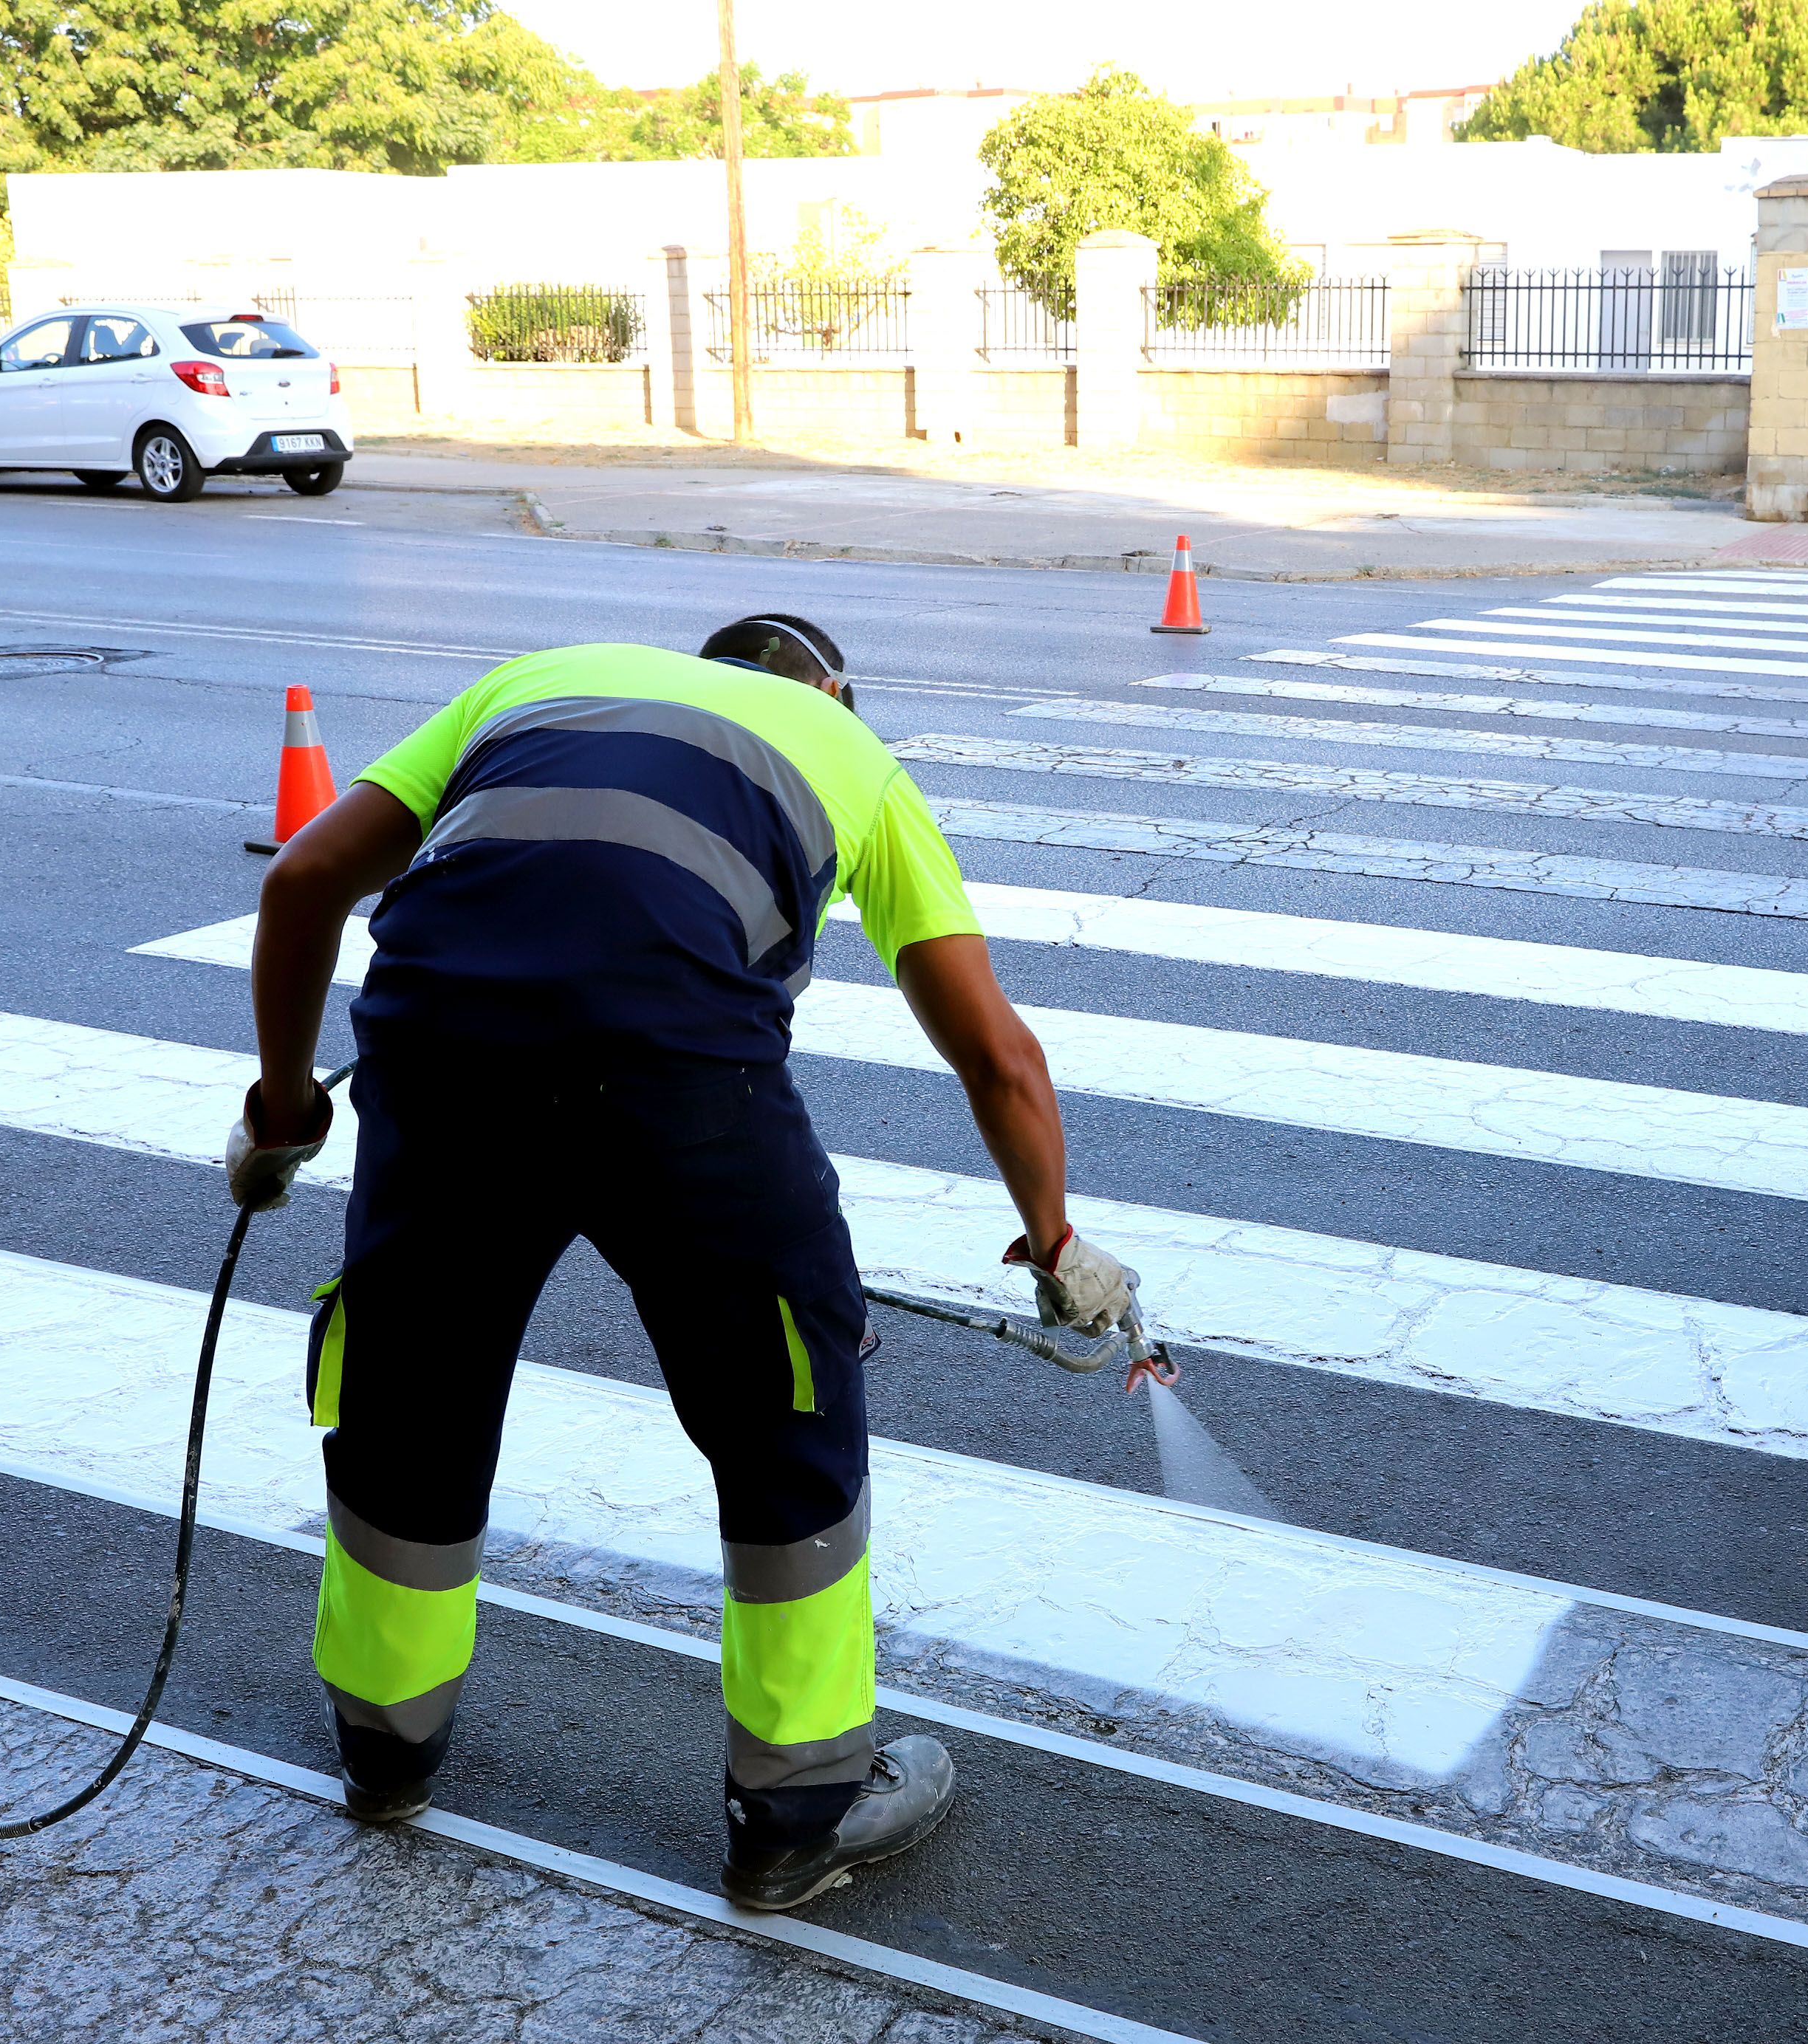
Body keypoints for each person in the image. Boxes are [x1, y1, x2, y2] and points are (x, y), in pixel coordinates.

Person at [222, 611, 1143, 1912]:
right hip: (685, 1088)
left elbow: (303, 880)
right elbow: (995, 1050)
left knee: (409, 1398)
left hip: (439, 1057)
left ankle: (385, 1750)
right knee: (788, 1421)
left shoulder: (533, 677)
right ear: (833, 690)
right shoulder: (848, 751)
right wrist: (1057, 1246)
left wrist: (282, 1113)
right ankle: (796, 1814)